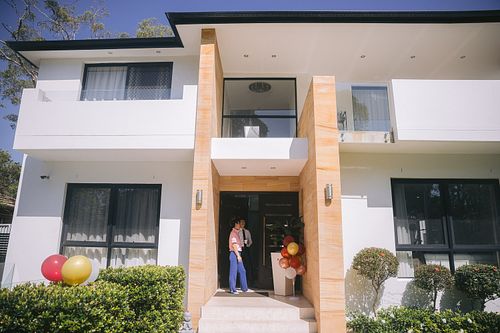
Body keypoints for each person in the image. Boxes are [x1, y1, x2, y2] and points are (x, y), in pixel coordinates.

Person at [228, 217, 248, 294]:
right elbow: (234, 245)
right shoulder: (233, 233)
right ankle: (232, 289)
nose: (240, 224)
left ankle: (244, 288)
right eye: (239, 223)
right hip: (234, 253)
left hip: (237, 253)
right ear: (235, 224)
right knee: (233, 272)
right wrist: (238, 256)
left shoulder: (237, 232)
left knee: (242, 270)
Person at [238, 218, 254, 284]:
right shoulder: (237, 231)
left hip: (245, 249)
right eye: (241, 223)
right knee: (239, 264)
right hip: (239, 249)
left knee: (247, 264)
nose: (242, 224)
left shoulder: (247, 232)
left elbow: (250, 242)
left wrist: (247, 244)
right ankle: (239, 281)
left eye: (243, 223)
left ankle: (249, 280)